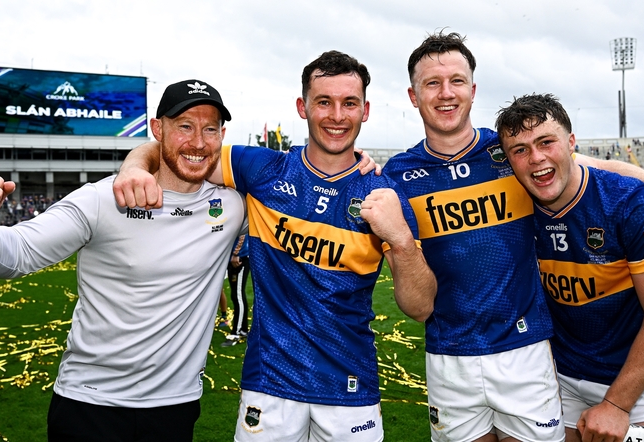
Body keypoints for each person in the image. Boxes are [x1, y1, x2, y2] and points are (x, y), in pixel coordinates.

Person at [382, 31, 644, 441]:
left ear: (473, 90)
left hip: (527, 354)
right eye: (432, 83)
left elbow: (592, 167)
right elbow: (415, 300)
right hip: (452, 356)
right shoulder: (399, 176)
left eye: (456, 81)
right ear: (413, 95)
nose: (446, 93)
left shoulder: (511, 151)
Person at [113, 50, 436, 441]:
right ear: (303, 107)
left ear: (365, 111)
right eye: (324, 102)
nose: (337, 115)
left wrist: (401, 240)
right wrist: (132, 166)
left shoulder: (383, 192)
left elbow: (420, 308)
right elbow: (180, 152)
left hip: (351, 388)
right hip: (269, 385)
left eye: (349, 103)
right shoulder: (264, 169)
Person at [0, 79, 247, 441]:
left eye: (210, 129)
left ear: (222, 134)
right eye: (184, 126)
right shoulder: (100, 200)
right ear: (158, 129)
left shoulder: (231, 204)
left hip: (176, 407)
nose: (198, 141)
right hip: (89, 405)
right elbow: (13, 255)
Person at [496, 93, 644, 442]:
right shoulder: (512, 206)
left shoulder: (635, 206)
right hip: (560, 379)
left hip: (640, 382)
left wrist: (616, 404)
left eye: (546, 142)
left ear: (571, 143)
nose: (536, 158)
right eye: (519, 150)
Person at [221, 234, 251, 347]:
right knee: (235, 295)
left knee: (238, 295)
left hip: (239, 258)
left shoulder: (241, 215)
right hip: (233, 257)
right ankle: (243, 329)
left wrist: (236, 253)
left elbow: (242, 233)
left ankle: (236, 333)